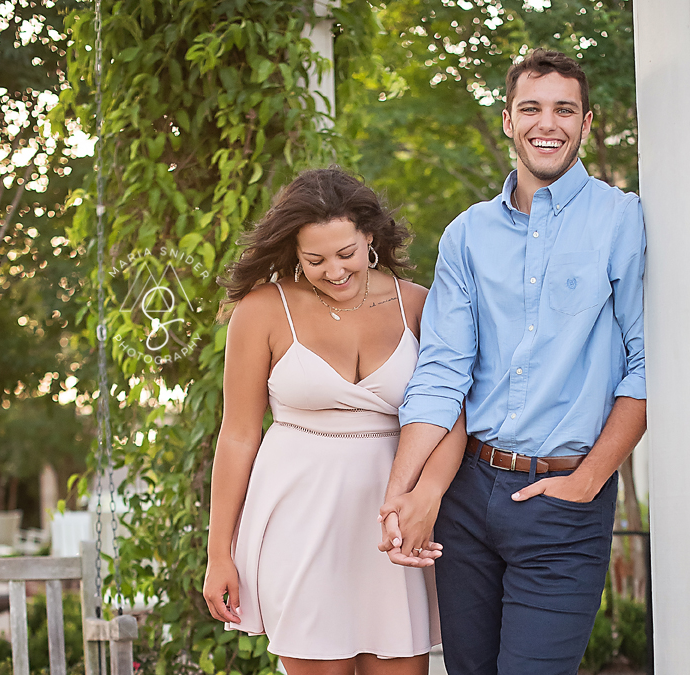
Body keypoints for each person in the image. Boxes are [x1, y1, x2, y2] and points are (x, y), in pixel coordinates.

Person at [377, 48, 648, 675]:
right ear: (508, 119)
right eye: (531, 108)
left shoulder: (619, 219)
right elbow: (445, 372)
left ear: (586, 124)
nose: (546, 123)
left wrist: (587, 481)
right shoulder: (467, 234)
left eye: (564, 109)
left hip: (563, 498)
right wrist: (403, 493)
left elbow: (646, 363)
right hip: (467, 495)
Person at [203, 167, 465, 675]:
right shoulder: (262, 310)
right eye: (315, 259)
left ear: (369, 237)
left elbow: (451, 416)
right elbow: (237, 435)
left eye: (345, 253)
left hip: (392, 520)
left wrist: (427, 495)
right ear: (295, 253)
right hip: (297, 521)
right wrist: (220, 552)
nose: (335, 271)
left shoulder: (419, 305)